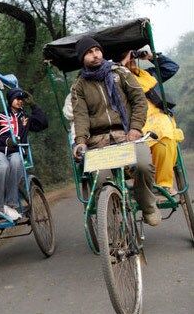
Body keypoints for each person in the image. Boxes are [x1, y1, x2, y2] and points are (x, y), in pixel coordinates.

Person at [71, 36, 161, 226]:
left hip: (127, 135)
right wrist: (80, 141)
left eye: (97, 50)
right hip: (98, 141)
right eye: (89, 52)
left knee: (143, 165)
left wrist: (136, 128)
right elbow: (80, 116)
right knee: (101, 181)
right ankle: (113, 224)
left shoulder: (119, 73)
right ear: (82, 58)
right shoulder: (79, 86)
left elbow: (139, 101)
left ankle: (148, 206)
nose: (95, 55)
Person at [120, 48, 182, 196]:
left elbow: (171, 67)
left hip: (159, 120)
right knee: (138, 148)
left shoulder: (149, 75)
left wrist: (152, 56)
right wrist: (121, 64)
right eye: (128, 56)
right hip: (134, 121)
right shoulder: (115, 78)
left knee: (166, 139)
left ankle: (164, 184)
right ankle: (143, 188)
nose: (132, 59)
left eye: (133, 56)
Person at [0, 87, 48, 224]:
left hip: (17, 151)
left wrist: (33, 105)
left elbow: (43, 123)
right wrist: (5, 142)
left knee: (15, 161)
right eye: (17, 99)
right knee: (2, 167)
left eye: (22, 99)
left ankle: (9, 205)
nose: (20, 101)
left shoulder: (26, 117)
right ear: (10, 100)